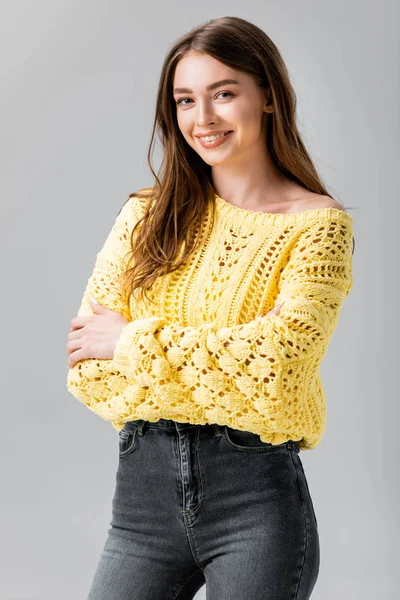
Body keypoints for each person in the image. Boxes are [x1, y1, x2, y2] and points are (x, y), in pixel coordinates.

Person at [66, 16, 355, 600]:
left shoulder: (318, 228)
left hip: (254, 505)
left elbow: (279, 367)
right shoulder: (147, 216)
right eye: (185, 100)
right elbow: (86, 370)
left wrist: (131, 343)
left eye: (224, 93)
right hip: (141, 507)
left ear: (268, 97)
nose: (204, 119)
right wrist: (229, 368)